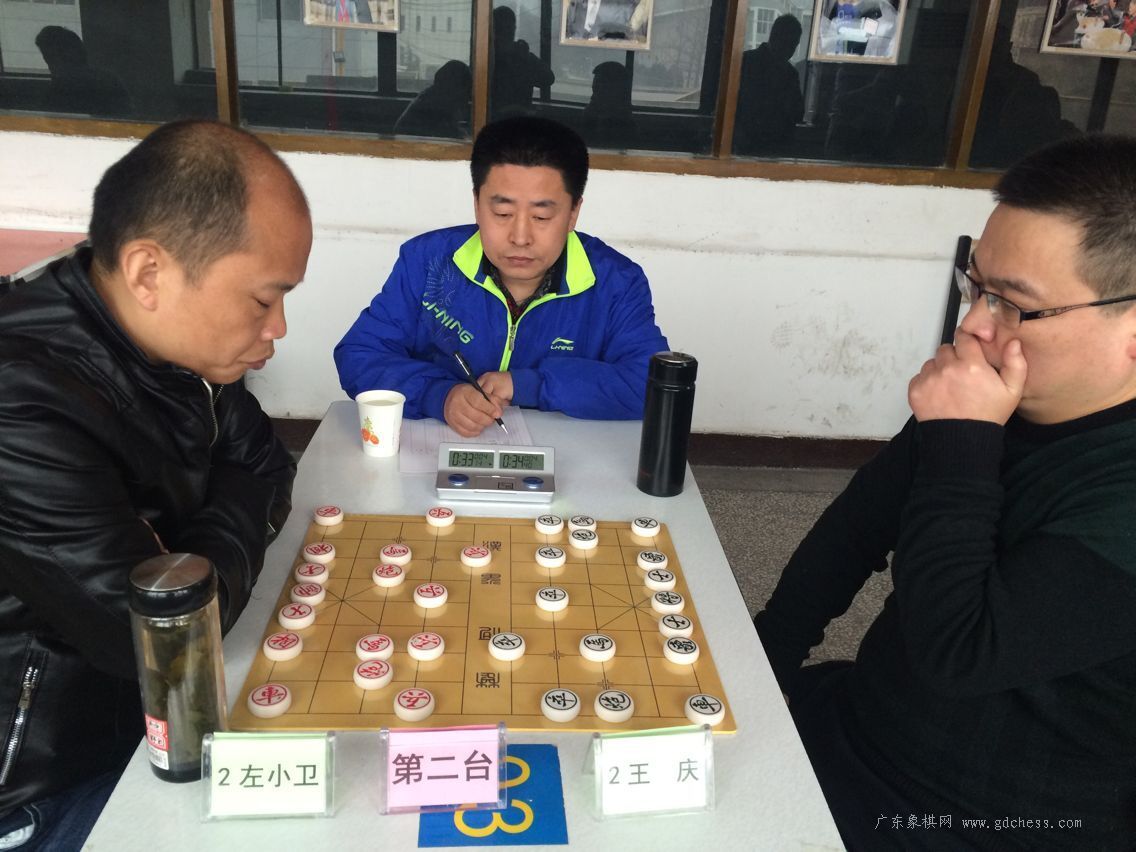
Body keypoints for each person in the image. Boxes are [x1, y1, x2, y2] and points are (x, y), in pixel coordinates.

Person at [754, 134, 1136, 848]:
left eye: (1012, 305)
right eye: (975, 285)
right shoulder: (990, 397)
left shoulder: (1064, 465)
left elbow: (960, 652)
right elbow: (855, 531)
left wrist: (963, 443)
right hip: (865, 727)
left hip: (988, 817)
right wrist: (759, 666)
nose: (972, 325)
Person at [0, 120, 310, 850]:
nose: (279, 327)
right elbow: (159, 638)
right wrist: (195, 570)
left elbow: (267, 463)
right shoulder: (19, 397)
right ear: (148, 273)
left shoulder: (170, 344)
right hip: (52, 780)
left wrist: (178, 560)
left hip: (143, 722)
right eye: (263, 300)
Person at [334, 115, 668, 437]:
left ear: (573, 213)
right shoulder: (427, 261)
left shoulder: (616, 283)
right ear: (477, 204)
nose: (520, 237)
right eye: (502, 213)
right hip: (438, 449)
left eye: (541, 217)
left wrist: (530, 384)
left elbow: (652, 385)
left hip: (568, 457)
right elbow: (359, 355)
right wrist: (439, 395)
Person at [733, 14, 804, 156]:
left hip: (743, 144)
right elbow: (797, 113)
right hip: (774, 147)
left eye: (793, 44)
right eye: (790, 43)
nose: (791, 50)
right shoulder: (790, 74)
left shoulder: (744, 61)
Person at [490, 6, 555, 117]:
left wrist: (526, 57)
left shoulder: (521, 55)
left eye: (509, 28)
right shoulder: (487, 56)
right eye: (502, 29)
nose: (507, 32)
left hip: (517, 119)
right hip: (496, 118)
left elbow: (548, 78)